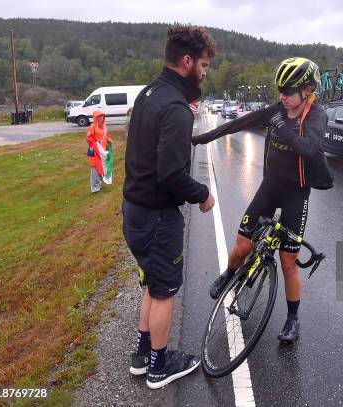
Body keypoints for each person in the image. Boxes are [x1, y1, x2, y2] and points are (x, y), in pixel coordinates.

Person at [192, 57, 333, 344]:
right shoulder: (277, 110)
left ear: (307, 89)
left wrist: (282, 128)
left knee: (288, 260)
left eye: (289, 90)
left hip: (297, 192)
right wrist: (198, 139)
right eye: (280, 88)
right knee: (242, 245)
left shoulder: (316, 116)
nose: (282, 95)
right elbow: (239, 124)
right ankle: (229, 273)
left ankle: (293, 319)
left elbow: (309, 148)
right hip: (270, 187)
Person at [122, 24, 216, 390]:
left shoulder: (149, 93)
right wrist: (203, 194)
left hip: (134, 211)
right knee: (165, 291)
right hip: (158, 217)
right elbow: (172, 175)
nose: (205, 73)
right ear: (187, 61)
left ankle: (143, 353)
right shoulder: (177, 109)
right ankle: (160, 366)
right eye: (204, 65)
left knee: (153, 282)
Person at [86, 110, 112, 192]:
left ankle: (99, 184)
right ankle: (94, 188)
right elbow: (88, 137)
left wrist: (109, 140)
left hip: (103, 151)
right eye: (99, 117)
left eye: (102, 116)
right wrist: (95, 144)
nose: (101, 118)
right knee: (94, 168)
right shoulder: (92, 126)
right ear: (95, 118)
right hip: (95, 151)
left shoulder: (104, 125)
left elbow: (105, 135)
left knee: (102, 167)